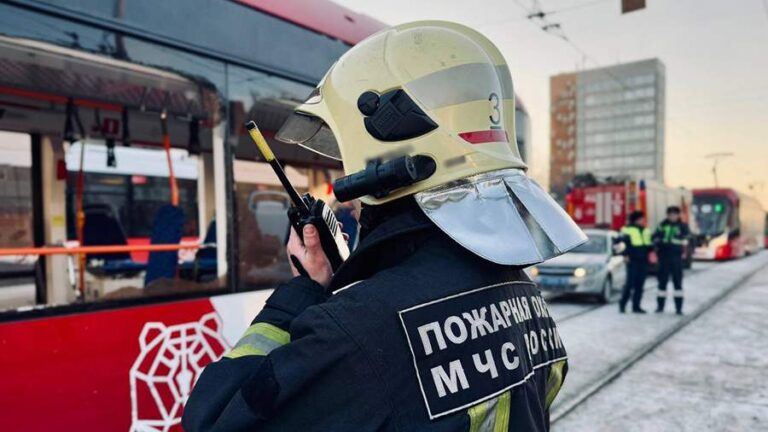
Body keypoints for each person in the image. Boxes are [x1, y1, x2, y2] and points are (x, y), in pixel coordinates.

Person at [182, 21, 587, 432]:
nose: (348, 192)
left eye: (353, 161)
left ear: (388, 171)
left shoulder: (358, 329)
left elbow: (214, 421)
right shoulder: (523, 291)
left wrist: (302, 292)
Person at [653, 206, 690, 314]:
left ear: (678, 215)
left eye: (675, 214)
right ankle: (660, 307)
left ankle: (678, 308)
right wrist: (657, 241)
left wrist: (682, 243)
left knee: (678, 284)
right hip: (663, 258)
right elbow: (655, 237)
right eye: (670, 214)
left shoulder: (683, 226)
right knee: (661, 284)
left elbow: (688, 238)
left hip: (676, 259)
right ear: (667, 215)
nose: (672, 216)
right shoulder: (662, 225)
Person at [619, 210, 653, 314]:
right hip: (632, 260)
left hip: (643, 261)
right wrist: (625, 255)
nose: (644, 221)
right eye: (642, 219)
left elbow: (648, 244)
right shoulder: (626, 230)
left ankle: (636, 306)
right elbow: (620, 244)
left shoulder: (646, 230)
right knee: (630, 284)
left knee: (640, 285)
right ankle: (623, 304)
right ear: (637, 219)